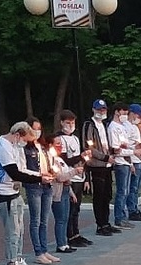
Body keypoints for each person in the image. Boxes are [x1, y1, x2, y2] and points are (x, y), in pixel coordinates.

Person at [0, 121, 43, 265]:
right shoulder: (3, 146)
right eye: (25, 140)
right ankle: (12, 262)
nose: (25, 144)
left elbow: (22, 169)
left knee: (20, 229)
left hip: (14, 192)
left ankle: (19, 258)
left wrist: (39, 175)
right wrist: (38, 179)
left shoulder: (14, 145)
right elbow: (14, 172)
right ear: (17, 135)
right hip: (3, 193)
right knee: (12, 230)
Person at [21, 118, 58, 265]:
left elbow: (49, 162)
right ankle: (38, 252)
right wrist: (39, 177)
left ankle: (44, 249)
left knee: (44, 220)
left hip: (47, 185)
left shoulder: (42, 146)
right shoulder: (25, 148)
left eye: (39, 128)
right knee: (35, 220)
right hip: (34, 185)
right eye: (34, 128)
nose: (37, 131)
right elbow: (24, 169)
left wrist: (51, 172)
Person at [55, 110, 90, 246]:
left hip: (79, 176)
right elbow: (65, 160)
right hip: (70, 176)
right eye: (67, 123)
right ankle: (69, 236)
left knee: (77, 208)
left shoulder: (75, 138)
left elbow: (81, 159)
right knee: (70, 208)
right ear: (62, 123)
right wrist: (80, 156)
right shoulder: (60, 139)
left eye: (72, 122)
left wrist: (85, 176)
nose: (70, 125)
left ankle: (76, 233)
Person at [83, 99, 117, 236]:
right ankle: (100, 224)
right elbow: (89, 147)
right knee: (99, 195)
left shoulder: (104, 124)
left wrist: (112, 152)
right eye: (99, 109)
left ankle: (106, 222)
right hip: (97, 164)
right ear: (93, 109)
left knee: (107, 194)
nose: (101, 112)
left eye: (103, 109)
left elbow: (106, 143)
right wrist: (104, 157)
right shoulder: (89, 125)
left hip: (107, 163)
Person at [47, 133, 78, 256]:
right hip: (58, 193)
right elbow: (60, 177)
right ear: (51, 145)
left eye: (61, 144)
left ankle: (64, 242)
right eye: (57, 144)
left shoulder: (60, 159)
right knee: (60, 219)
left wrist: (71, 192)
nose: (60, 146)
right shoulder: (52, 160)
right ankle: (61, 244)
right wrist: (75, 172)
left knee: (65, 218)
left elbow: (66, 178)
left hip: (65, 191)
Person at [123, 105, 141, 222]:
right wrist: (130, 162)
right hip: (133, 159)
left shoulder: (134, 127)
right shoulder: (126, 127)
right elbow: (127, 145)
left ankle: (135, 208)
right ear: (131, 113)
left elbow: (136, 143)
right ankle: (131, 210)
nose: (139, 118)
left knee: (136, 187)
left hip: (139, 158)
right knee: (132, 187)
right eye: (138, 116)